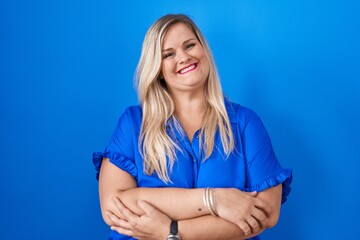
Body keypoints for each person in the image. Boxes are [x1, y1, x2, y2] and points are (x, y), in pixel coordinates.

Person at [93, 14, 292, 240]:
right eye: (169, 54)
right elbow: (114, 206)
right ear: (157, 69)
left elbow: (266, 214)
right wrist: (215, 200)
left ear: (204, 50)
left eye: (190, 45)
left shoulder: (246, 123)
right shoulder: (133, 123)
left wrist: (169, 232)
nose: (184, 57)